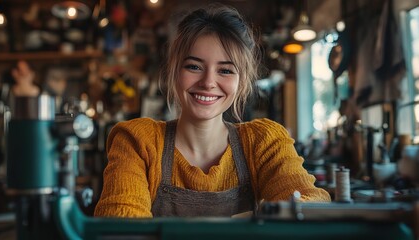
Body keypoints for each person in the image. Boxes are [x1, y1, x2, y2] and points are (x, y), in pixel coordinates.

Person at [94, 4, 330, 218]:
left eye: (225, 70)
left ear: (242, 81)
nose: (208, 82)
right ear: (175, 71)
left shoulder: (264, 142)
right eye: (194, 66)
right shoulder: (138, 140)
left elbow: (309, 207)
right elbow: (120, 223)